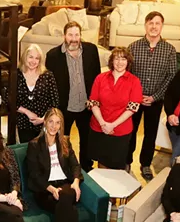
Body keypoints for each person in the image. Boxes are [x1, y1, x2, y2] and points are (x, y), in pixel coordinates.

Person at [26, 108, 83, 222]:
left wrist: (77, 182)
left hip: (65, 187)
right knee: (71, 211)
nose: (54, 126)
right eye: (51, 121)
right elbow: (34, 174)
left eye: (57, 123)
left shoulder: (65, 141)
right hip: (45, 190)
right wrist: (50, 188)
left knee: (67, 194)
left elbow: (75, 165)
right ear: (45, 122)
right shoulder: (35, 145)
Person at [126, 11, 177, 180]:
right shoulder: (133, 47)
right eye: (151, 23)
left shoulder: (169, 50)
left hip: (156, 100)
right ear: (145, 26)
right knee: (130, 131)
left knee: (150, 133)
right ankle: (126, 161)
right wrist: (137, 95)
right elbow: (127, 74)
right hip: (135, 99)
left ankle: (145, 164)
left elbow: (171, 77)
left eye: (157, 23)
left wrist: (155, 97)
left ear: (162, 26)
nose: (154, 26)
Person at [45, 21, 102, 172]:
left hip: (86, 106)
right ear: (64, 36)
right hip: (65, 107)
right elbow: (49, 84)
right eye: (70, 35)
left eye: (77, 34)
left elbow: (97, 78)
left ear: (80, 35)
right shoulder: (53, 55)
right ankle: (63, 167)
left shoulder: (91, 50)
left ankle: (86, 167)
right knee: (62, 140)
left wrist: (95, 101)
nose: (74, 38)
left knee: (86, 139)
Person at [87, 47, 143, 169]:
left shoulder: (134, 81)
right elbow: (93, 102)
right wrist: (103, 123)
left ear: (128, 62)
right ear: (111, 61)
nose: (119, 62)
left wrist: (112, 125)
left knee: (116, 165)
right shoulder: (100, 78)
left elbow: (132, 108)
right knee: (101, 163)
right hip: (98, 127)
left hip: (120, 131)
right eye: (116, 58)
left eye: (123, 59)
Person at [14, 43, 59, 143]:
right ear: (25, 57)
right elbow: (8, 99)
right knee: (26, 153)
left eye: (37, 58)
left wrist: (44, 119)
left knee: (43, 153)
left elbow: (55, 102)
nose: (33, 61)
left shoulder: (48, 76)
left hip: (45, 124)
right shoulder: (16, 75)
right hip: (23, 124)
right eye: (31, 57)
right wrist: (26, 112)